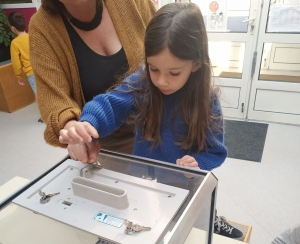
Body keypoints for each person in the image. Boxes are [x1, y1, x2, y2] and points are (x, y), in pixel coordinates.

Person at [59, 2, 243, 240]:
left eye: (173, 73)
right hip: (143, 183)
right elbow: (110, 103)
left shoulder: (207, 102)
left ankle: (212, 219)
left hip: (184, 188)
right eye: (154, 68)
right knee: (141, 225)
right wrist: (88, 122)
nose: (161, 81)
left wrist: (197, 164)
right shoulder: (143, 82)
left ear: (196, 63)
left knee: (188, 228)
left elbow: (215, 151)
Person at [29, 0, 156, 160]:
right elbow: (53, 97)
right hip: (106, 148)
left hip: (163, 130)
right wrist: (74, 129)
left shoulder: (133, 3)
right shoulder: (43, 27)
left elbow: (167, 44)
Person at [8, 12, 42, 123]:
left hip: (31, 73)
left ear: (12, 28)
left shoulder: (15, 43)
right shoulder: (33, 37)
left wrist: (19, 76)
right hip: (41, 69)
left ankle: (44, 116)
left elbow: (16, 63)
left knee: (38, 94)